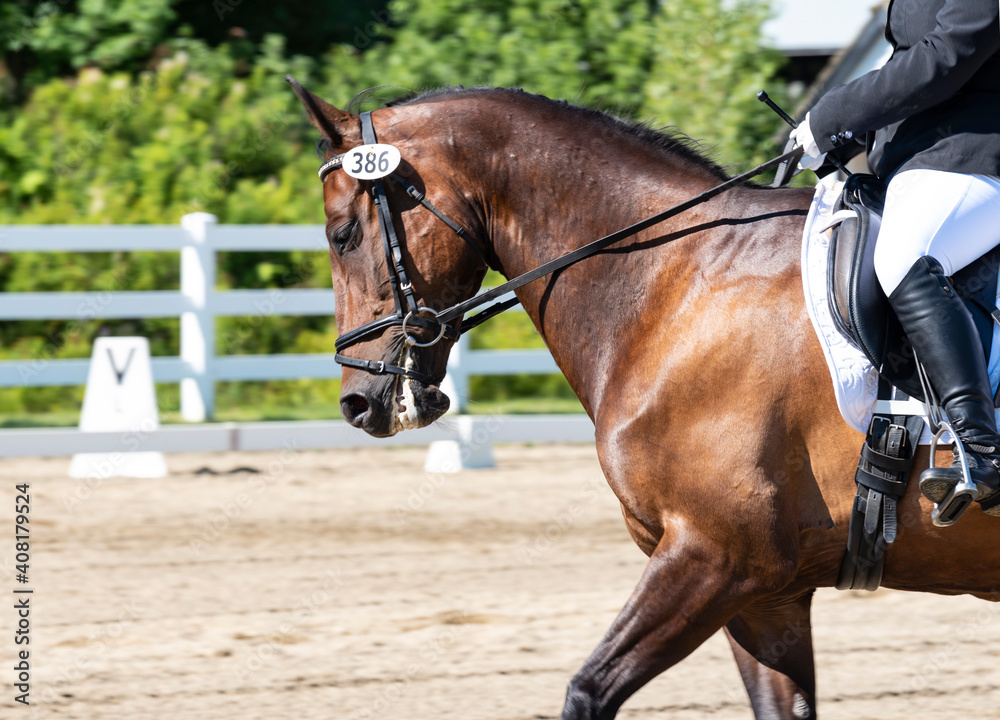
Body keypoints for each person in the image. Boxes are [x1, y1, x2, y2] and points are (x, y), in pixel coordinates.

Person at [790, 0, 1000, 515]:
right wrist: (840, 130)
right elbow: (907, 62)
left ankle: (982, 449)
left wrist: (833, 116)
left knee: (908, 254)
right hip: (925, 161)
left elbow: (949, 52)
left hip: (976, 155)